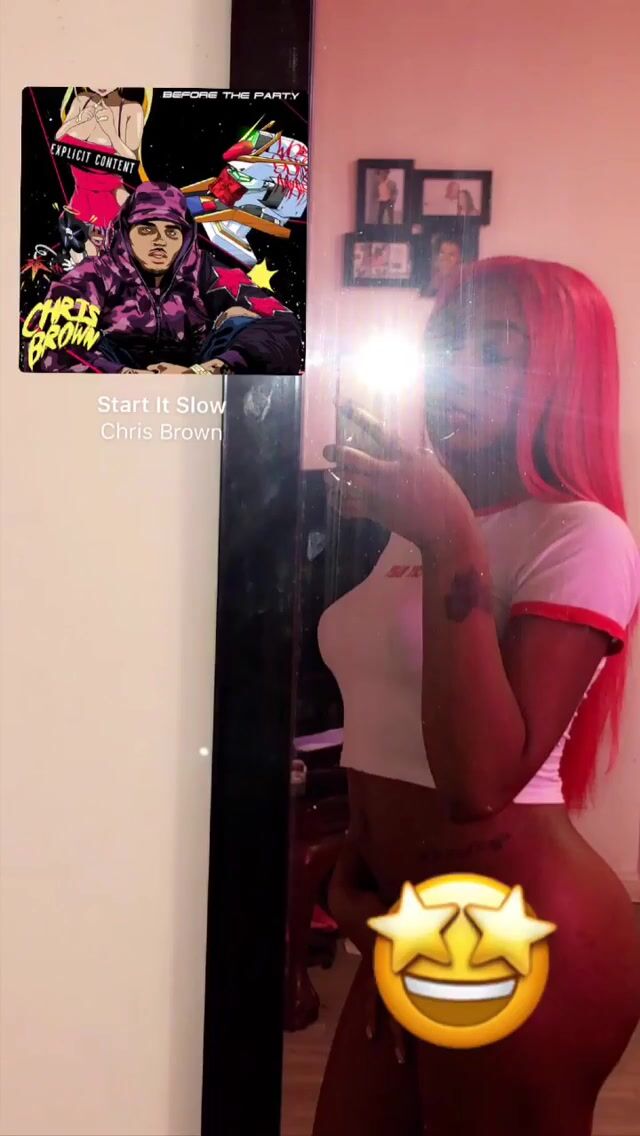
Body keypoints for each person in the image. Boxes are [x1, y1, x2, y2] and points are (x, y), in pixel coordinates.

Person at [314, 256, 640, 1136]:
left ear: (564, 377)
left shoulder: (581, 534)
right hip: (402, 917)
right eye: (449, 346)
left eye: (497, 351)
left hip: (511, 926)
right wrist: (356, 867)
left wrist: (450, 537)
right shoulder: (421, 521)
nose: (460, 371)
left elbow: (480, 782)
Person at [31, 181, 302, 373]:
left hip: (196, 388)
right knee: (67, 332)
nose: (160, 241)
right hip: (114, 392)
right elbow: (46, 341)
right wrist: (125, 376)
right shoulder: (95, 273)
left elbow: (284, 324)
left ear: (185, 237)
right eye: (147, 229)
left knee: (243, 321)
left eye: (172, 232)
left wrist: (212, 370)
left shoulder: (205, 270)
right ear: (126, 232)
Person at [55, 87, 146, 234]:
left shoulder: (132, 110)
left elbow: (131, 161)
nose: (101, 84)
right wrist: (77, 120)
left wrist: (111, 132)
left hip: (112, 199)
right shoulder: (81, 100)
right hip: (78, 200)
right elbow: (58, 139)